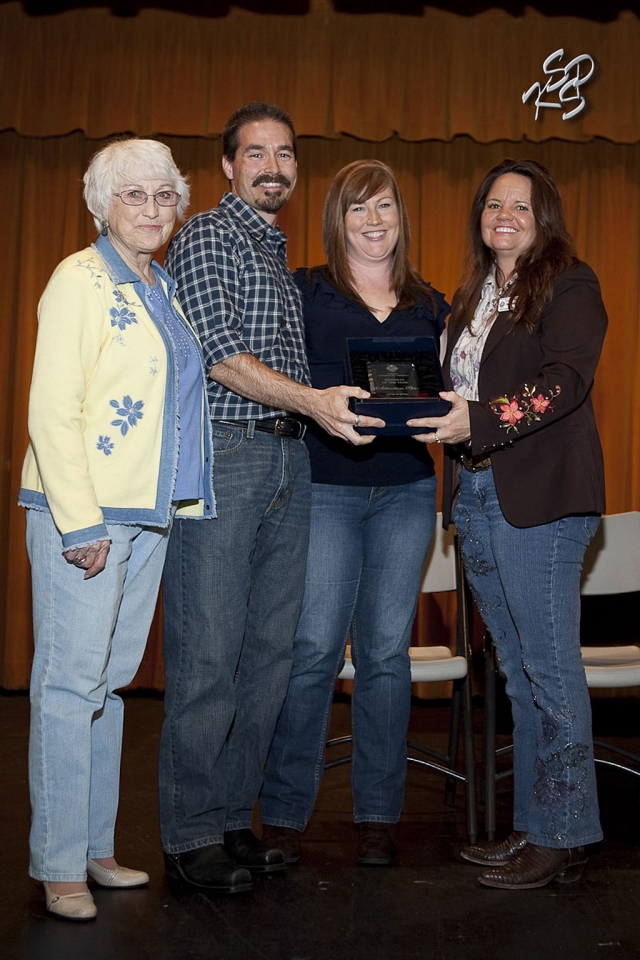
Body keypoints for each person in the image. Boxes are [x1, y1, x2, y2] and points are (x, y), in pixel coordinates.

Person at [159, 103, 383, 895]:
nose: (272, 167)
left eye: (284, 154)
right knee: (209, 654)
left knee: (269, 660)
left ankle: (226, 820)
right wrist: (318, 401)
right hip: (227, 458)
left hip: (290, 465)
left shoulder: (276, 244)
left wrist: (324, 411)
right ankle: (187, 834)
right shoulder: (206, 235)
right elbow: (220, 355)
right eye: (255, 154)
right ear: (226, 166)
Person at [19, 138, 215, 920]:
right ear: (100, 204)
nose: (151, 209)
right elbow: (51, 408)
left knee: (107, 689)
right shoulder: (80, 277)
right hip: (88, 517)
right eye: (132, 195)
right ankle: (58, 863)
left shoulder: (159, 284)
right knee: (68, 687)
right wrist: (79, 521)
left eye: (163, 195)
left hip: (148, 515)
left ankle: (95, 847)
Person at [410, 158, 607, 889]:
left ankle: (562, 834)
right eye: (494, 204)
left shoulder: (570, 284)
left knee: (551, 673)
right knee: (519, 678)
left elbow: (564, 383)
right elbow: (453, 391)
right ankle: (535, 826)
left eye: (520, 206)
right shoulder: (472, 298)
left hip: (542, 502)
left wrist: (481, 418)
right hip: (477, 498)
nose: (505, 216)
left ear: (543, 218)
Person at [259, 159, 448, 866]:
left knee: (384, 657)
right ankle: (282, 814)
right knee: (311, 651)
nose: (373, 222)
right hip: (327, 488)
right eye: (357, 210)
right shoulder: (305, 289)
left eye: (386, 209)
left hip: (405, 491)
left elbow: (455, 395)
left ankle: (377, 815)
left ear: (402, 217)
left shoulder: (432, 303)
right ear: (337, 220)